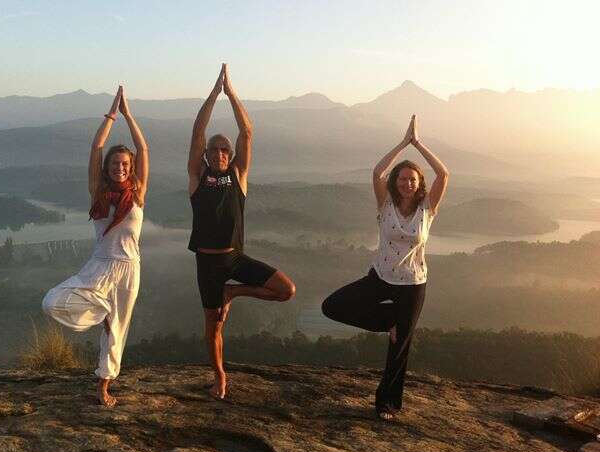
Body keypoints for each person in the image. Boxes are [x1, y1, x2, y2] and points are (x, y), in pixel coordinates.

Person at [321, 114, 449, 421]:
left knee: (399, 348)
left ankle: (387, 404)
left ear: (419, 185)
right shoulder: (386, 204)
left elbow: (444, 174)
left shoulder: (427, 209)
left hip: (414, 284)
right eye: (402, 178)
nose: (407, 183)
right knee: (333, 306)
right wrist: (403, 143)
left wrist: (418, 144)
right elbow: (377, 172)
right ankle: (388, 320)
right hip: (380, 277)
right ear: (396, 182)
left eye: (413, 180)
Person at [188, 64, 296, 400]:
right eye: (214, 150)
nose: (219, 153)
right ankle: (220, 376)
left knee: (286, 290)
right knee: (214, 325)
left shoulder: (238, 176)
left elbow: (247, 132)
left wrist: (231, 94)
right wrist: (212, 93)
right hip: (207, 264)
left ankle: (233, 294)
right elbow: (197, 132)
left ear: (230, 155)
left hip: (235, 260)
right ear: (206, 156)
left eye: (225, 150)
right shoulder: (197, 177)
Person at [42, 85, 148, 407]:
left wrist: (130, 117)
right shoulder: (98, 192)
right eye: (115, 164)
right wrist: (112, 116)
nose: (121, 168)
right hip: (100, 264)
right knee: (53, 301)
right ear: (107, 168)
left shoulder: (138, 192)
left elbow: (143, 150)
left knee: (117, 331)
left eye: (125, 165)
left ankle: (103, 384)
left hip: (130, 268)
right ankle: (99, 309)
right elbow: (96, 147)